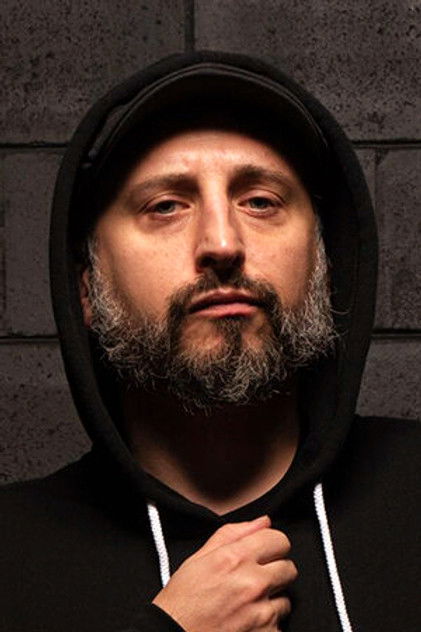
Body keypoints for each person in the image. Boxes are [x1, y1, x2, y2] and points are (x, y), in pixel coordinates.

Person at [1, 51, 419, 632]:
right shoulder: (13, 557)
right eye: (166, 206)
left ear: (325, 266)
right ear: (88, 290)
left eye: (261, 201)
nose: (222, 243)